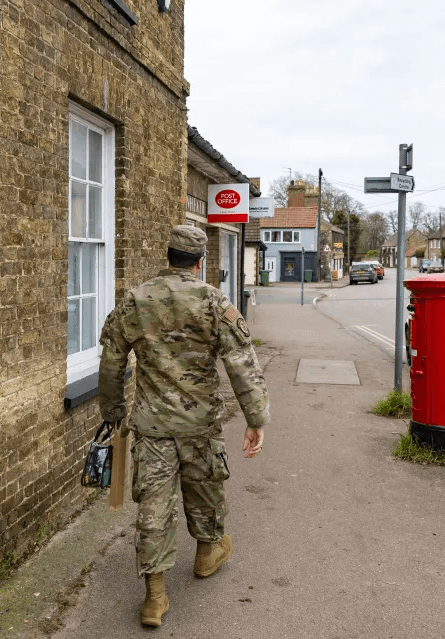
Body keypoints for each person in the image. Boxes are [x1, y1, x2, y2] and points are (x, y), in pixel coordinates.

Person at [98, 224, 270, 627]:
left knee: (154, 507)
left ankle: (154, 597)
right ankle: (208, 553)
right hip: (200, 424)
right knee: (205, 488)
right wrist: (255, 419)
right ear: (198, 261)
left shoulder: (136, 300)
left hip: (152, 427)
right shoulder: (214, 301)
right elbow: (241, 363)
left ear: (168, 254)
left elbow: (111, 362)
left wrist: (113, 412)